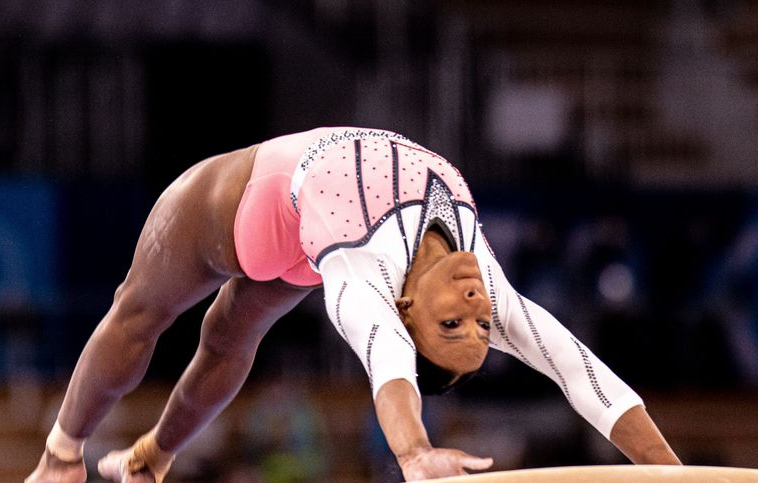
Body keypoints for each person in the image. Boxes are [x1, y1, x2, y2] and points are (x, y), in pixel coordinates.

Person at [25, 127, 681, 483]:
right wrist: (668, 469)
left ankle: (154, 456)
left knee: (229, 338)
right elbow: (577, 366)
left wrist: (414, 452)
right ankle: (61, 452)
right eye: (478, 324)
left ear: (404, 307)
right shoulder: (486, 278)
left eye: (453, 323)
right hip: (231, 196)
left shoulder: (364, 276)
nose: (478, 304)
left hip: (295, 234)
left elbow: (387, 359)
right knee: (139, 310)